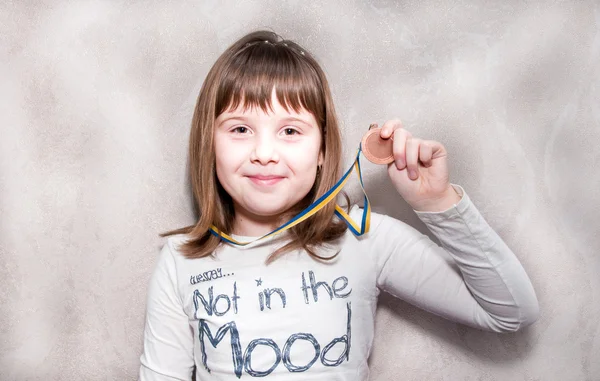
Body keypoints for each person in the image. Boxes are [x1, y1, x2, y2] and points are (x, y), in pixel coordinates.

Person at [138, 29, 539, 381]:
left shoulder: (366, 239)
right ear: (209, 144)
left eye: (290, 130)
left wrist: (437, 203)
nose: (264, 152)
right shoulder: (180, 261)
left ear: (322, 149)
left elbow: (511, 312)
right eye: (241, 129)